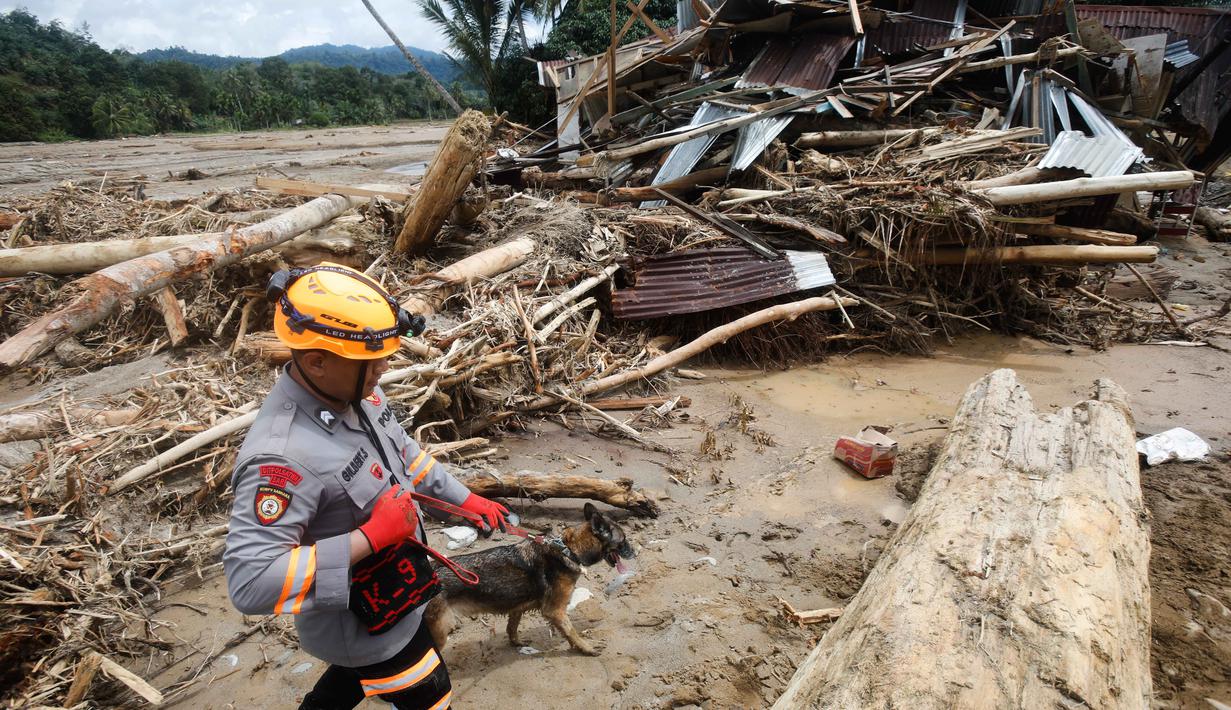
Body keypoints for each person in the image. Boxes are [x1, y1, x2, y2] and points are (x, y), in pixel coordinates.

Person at [223, 263, 510, 710]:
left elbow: (404, 456)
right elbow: (251, 581)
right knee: (433, 698)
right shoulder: (283, 458)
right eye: (372, 360)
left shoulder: (358, 393)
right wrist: (370, 537)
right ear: (317, 361)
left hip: (400, 591)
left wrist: (463, 500)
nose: (384, 367)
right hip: (367, 624)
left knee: (348, 682)